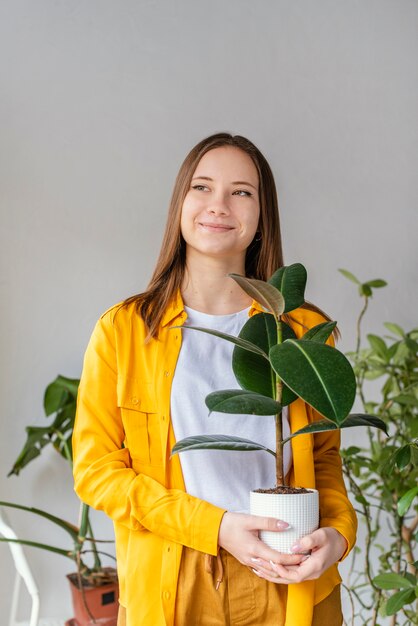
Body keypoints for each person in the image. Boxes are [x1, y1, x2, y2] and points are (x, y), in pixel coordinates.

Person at [72, 133, 357, 626]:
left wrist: (338, 535)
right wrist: (217, 527)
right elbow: (96, 471)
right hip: (174, 576)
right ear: (180, 201)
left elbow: (324, 459)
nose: (219, 205)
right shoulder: (123, 330)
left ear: (262, 213)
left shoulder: (303, 332)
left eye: (241, 191)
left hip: (286, 573)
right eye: (202, 187)